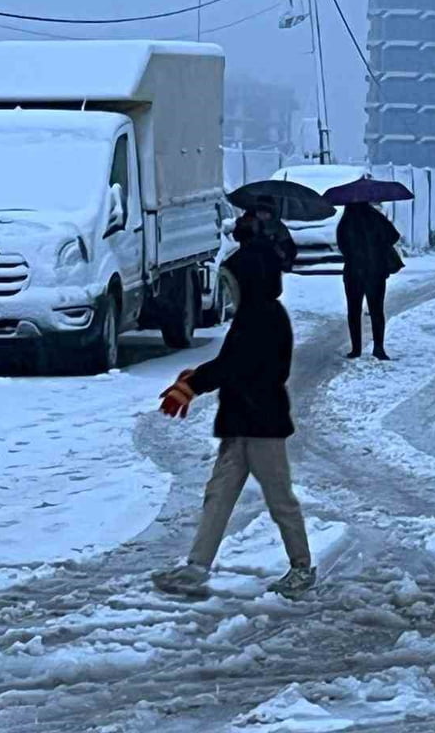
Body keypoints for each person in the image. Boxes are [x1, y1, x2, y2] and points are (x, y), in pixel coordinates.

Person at [152, 230, 315, 599]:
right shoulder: (254, 316)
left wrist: (194, 385)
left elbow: (236, 365)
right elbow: (232, 363)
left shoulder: (264, 318)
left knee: (279, 498)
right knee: (219, 494)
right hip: (241, 421)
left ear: (250, 281)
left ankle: (302, 567)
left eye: (231, 284)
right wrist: (196, 379)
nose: (229, 292)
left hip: (261, 425)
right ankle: (196, 567)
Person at [336, 201, 403, 361]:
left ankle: (356, 349)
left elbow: (341, 244)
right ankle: (378, 348)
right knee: (376, 310)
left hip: (353, 271)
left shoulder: (346, 220)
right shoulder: (375, 216)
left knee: (354, 311)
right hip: (375, 270)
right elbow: (394, 236)